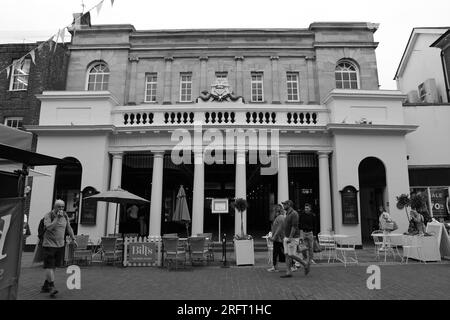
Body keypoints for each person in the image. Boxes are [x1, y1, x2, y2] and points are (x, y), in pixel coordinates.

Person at [41, 200, 77, 297]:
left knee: (54, 266)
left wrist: (73, 239)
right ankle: (52, 287)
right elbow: (49, 227)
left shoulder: (65, 216)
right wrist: (57, 218)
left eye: (62, 207)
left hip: (60, 245)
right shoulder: (48, 215)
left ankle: (46, 284)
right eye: (59, 207)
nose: (61, 209)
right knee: (49, 266)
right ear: (54, 207)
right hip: (49, 245)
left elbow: (69, 228)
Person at [280, 200, 310, 278]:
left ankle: (305, 264)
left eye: (284, 204)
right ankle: (288, 272)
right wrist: (285, 236)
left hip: (292, 238)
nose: (283, 206)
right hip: (287, 237)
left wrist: (290, 237)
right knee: (287, 255)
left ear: (289, 205)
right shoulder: (287, 213)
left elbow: (294, 227)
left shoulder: (294, 214)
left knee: (291, 254)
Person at [267, 204, 286, 272]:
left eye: (274, 210)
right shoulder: (278, 217)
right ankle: (275, 266)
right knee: (277, 253)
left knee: (283, 253)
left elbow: (279, 228)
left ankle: (293, 264)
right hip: (278, 238)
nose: (274, 211)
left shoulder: (280, 217)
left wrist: (274, 237)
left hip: (279, 238)